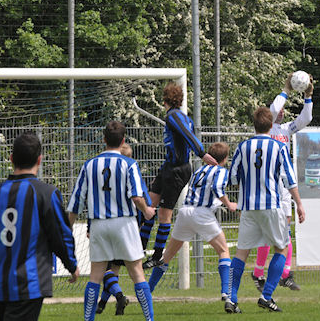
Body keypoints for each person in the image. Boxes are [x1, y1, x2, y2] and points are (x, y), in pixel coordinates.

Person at [67, 121, 157, 321]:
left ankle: (88, 319)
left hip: (98, 224)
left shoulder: (89, 165)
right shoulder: (129, 163)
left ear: (104, 139)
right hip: (124, 223)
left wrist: (67, 228)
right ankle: (149, 319)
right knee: (137, 273)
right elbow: (136, 196)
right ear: (123, 140)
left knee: (95, 277)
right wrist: (147, 210)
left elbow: (76, 203)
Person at [226, 107, 306, 314]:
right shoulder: (279, 147)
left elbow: (233, 178)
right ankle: (266, 296)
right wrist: (299, 204)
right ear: (271, 126)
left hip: (248, 208)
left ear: (254, 125)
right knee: (281, 248)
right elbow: (289, 179)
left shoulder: (242, 147)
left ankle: (232, 299)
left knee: (241, 253)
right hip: (271, 205)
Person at [0, 132, 79, 321]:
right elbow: (60, 234)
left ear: (11, 159)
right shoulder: (46, 193)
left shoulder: (0, 192)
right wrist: (71, 264)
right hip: (28, 284)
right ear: (39, 160)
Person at [148, 142, 237, 306]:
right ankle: (226, 293)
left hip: (185, 211)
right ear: (225, 158)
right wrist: (229, 203)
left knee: (167, 255)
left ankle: (147, 290)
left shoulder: (199, 170)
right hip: (202, 213)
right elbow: (218, 188)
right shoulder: (221, 171)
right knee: (223, 251)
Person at [140, 82, 217, 269]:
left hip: (177, 171)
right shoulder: (178, 116)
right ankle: (138, 249)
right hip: (168, 167)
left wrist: (202, 153)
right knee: (148, 207)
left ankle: (157, 256)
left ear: (164, 99)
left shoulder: (174, 116)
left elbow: (188, 135)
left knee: (164, 214)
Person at [252, 72, 314, 292]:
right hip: (267, 183)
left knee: (285, 230)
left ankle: (285, 274)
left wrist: (308, 97)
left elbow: (305, 119)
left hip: (284, 186)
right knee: (266, 232)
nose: (281, 112)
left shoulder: (287, 129)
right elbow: (274, 110)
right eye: (279, 110)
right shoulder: (266, 130)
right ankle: (258, 273)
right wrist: (286, 89)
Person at [95, 143, 146, 316]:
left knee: (105, 270)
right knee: (116, 270)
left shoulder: (109, 174)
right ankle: (102, 303)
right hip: (131, 229)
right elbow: (142, 199)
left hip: (112, 225)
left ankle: (119, 296)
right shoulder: (133, 173)